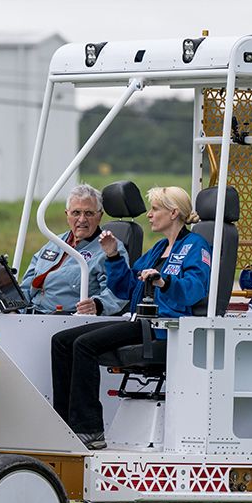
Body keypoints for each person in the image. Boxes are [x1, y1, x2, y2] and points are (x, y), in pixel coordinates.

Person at [50, 186, 212, 449]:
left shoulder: (196, 246)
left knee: (84, 345)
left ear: (173, 213)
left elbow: (195, 289)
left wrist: (163, 282)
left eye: (155, 209)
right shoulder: (159, 248)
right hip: (139, 320)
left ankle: (89, 429)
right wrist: (113, 255)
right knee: (62, 341)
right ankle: (63, 423)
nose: (149, 215)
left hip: (162, 327)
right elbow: (126, 288)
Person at [20, 184, 129, 315]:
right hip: (30, 314)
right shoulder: (55, 242)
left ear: (100, 216)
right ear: (67, 215)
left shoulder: (111, 248)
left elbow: (118, 292)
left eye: (89, 213)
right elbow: (26, 284)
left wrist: (97, 305)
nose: (82, 219)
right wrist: (15, 309)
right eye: (76, 213)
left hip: (66, 319)